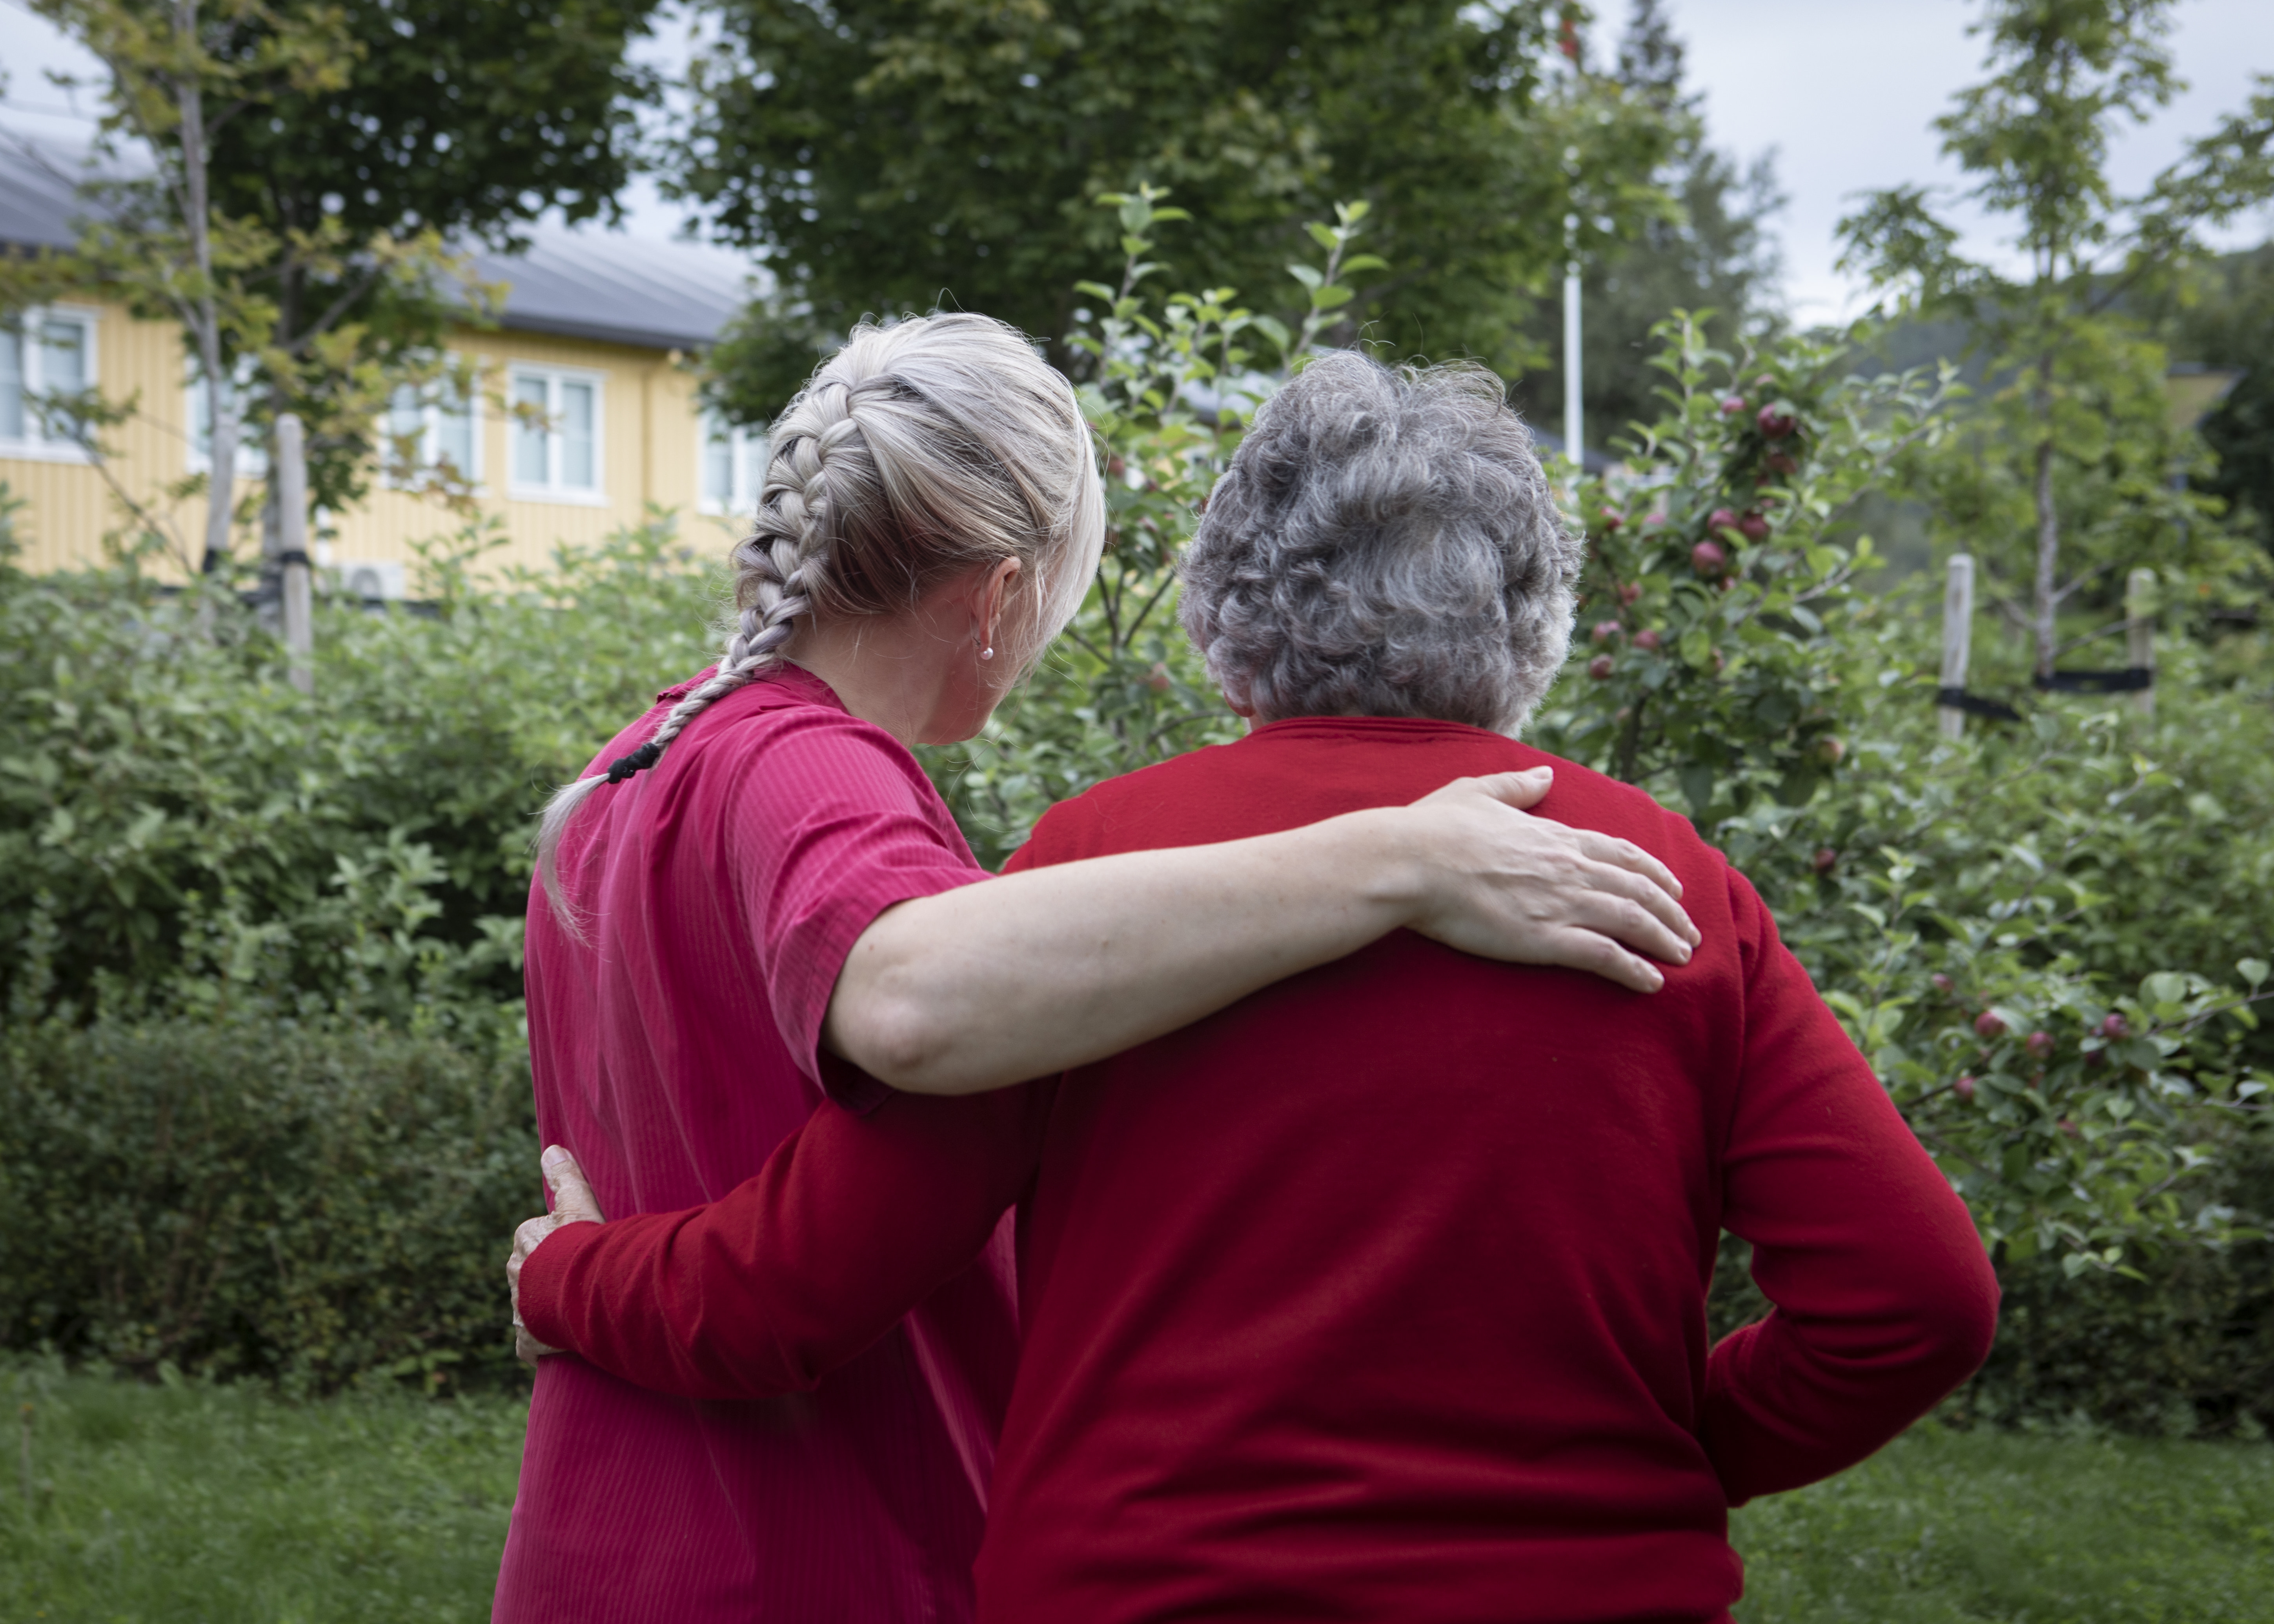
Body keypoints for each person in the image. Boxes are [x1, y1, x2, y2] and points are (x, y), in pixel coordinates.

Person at [510, 351, 2001, 1624]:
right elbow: (1918, 1300)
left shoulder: (1092, 877)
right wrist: (1668, 1449)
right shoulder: (1659, 883)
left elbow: (803, 1276)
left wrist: (564, 1273)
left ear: (1227, 611)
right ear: (1535, 616)